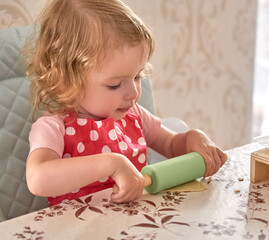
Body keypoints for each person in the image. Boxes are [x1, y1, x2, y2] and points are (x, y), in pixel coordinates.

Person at [25, 0, 227, 207]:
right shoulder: (54, 126)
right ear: (66, 82)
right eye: (114, 85)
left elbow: (171, 145)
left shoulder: (135, 114)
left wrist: (194, 138)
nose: (134, 92)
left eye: (138, 77)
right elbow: (37, 179)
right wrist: (111, 164)